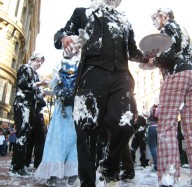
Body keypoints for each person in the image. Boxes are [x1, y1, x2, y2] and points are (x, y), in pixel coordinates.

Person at [54, 0, 148, 186]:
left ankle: (109, 167)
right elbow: (62, 33)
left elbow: (132, 50)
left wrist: (147, 56)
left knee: (126, 124)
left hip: (121, 77)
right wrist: (64, 39)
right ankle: (87, 182)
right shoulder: (83, 12)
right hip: (91, 73)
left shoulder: (124, 20)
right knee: (87, 130)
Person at [148, 8, 192, 187]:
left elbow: (167, 55)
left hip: (176, 76)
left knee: (166, 127)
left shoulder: (167, 29)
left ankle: (168, 178)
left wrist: (154, 61)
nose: (155, 22)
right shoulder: (182, 29)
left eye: (155, 18)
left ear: (163, 16)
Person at [35, 36, 79, 187]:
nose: (75, 49)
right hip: (62, 110)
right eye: (72, 46)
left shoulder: (83, 64)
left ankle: (72, 172)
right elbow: (55, 85)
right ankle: (53, 173)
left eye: (77, 47)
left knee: (75, 140)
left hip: (76, 109)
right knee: (57, 140)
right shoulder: (60, 64)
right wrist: (53, 92)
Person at [9, 52, 48, 176]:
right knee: (22, 133)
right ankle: (17, 167)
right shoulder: (24, 68)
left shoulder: (36, 74)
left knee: (25, 134)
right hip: (21, 104)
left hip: (30, 107)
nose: (39, 63)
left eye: (41, 62)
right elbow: (22, 84)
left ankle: (19, 165)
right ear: (32, 59)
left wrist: (46, 93)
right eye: (38, 60)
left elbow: (37, 94)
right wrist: (38, 84)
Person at [25, 97, 46, 169]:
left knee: (29, 143)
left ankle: (27, 162)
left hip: (29, 119)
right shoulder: (36, 96)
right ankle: (37, 163)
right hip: (36, 119)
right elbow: (43, 103)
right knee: (39, 143)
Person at [147, 104, 158, 172]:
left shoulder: (153, 110)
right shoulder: (161, 108)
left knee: (153, 148)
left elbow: (149, 119)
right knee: (159, 148)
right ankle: (161, 165)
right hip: (160, 127)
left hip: (152, 127)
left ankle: (156, 165)